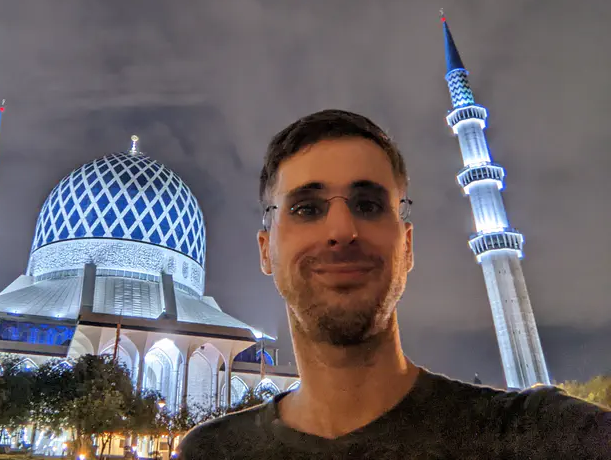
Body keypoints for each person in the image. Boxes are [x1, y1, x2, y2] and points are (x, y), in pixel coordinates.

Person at [178, 109, 610, 459]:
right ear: (264, 250)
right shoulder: (212, 451)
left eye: (368, 204)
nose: (341, 229)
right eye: (306, 209)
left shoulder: (534, 436)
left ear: (407, 246)